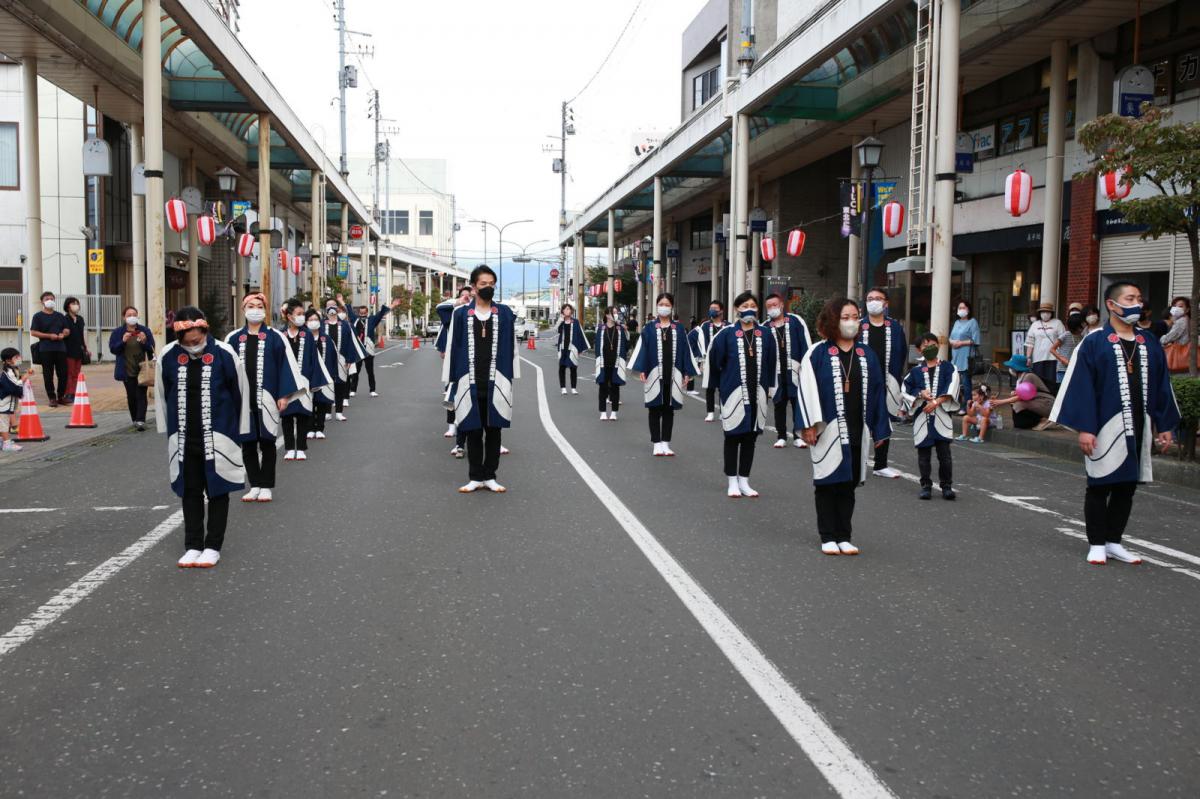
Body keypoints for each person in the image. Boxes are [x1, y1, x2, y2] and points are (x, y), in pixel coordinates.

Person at [1050, 281, 1180, 565]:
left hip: (1139, 424)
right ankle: (1097, 542)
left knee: (1126, 487)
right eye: (1130, 298)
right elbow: (1081, 386)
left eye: (1138, 298)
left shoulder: (1149, 343)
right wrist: (1085, 427)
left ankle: (1114, 541)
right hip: (1103, 425)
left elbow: (1162, 387)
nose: (1137, 303)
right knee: (1099, 483)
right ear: (1112, 304)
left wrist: (1165, 425)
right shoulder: (1094, 342)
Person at [154, 306, 250, 569]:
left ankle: (213, 546)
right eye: (188, 337)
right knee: (190, 490)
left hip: (220, 434)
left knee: (219, 489)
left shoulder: (224, 353)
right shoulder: (168, 356)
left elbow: (240, 392)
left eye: (197, 335)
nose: (194, 341)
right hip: (184, 436)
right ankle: (193, 544)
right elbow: (162, 395)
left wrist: (240, 432)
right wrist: (168, 432)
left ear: (205, 329)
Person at [798, 298, 891, 556]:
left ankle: (844, 535)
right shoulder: (817, 352)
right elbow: (806, 389)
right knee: (827, 481)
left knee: (848, 483)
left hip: (856, 426)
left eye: (854, 316)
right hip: (826, 427)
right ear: (833, 320)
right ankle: (827, 535)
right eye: (845, 317)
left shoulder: (866, 354)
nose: (851, 322)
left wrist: (879, 429)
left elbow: (877, 392)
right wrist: (808, 425)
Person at [442, 265, 520, 493]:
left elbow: (512, 346)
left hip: (497, 380)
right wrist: (451, 379)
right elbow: (453, 346)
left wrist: (512, 376)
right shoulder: (460, 314)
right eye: (483, 284)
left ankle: (490, 476)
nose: (488, 287)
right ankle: (475, 476)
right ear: (474, 287)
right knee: (473, 429)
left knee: (494, 429)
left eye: (491, 283)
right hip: (469, 380)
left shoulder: (504, 313)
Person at [224, 293, 303, 503]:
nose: (255, 309)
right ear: (243, 309)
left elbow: (286, 366)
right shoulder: (232, 339)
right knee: (247, 444)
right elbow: (225, 371)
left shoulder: (276, 337)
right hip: (242, 401)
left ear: (265, 310)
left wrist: (284, 395)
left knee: (267, 441)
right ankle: (255, 484)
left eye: (259, 306)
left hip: (268, 397)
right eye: (251, 305)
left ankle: (267, 485)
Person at [708, 291, 777, 497]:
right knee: (732, 436)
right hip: (733, 393)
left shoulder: (765, 334)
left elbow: (771, 363)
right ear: (737, 309)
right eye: (745, 305)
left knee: (750, 438)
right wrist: (722, 387)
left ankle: (744, 480)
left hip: (758, 393)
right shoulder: (727, 334)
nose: (750, 309)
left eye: (753, 305)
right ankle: (732, 481)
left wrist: (771, 388)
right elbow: (715, 362)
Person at [629, 292, 697, 456]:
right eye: (661, 304)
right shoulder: (649, 328)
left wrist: (687, 372)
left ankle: (666, 443)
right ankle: (656, 443)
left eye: (667, 305)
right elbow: (642, 350)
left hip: (673, 374)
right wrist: (642, 369)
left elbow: (685, 351)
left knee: (669, 409)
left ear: (672, 307)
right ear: (657, 306)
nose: (664, 307)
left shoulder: (679, 328)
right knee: (654, 408)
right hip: (654, 373)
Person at [902, 332, 960, 500]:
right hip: (922, 418)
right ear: (919, 350)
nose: (930, 349)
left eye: (933, 344)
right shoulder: (915, 371)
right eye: (926, 346)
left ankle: (946, 486)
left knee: (945, 455)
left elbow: (952, 387)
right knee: (924, 454)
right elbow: (904, 390)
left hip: (941, 415)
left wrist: (936, 402)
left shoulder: (949, 367)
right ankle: (926, 485)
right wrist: (920, 393)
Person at [859, 287, 907, 478]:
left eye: (878, 298)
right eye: (870, 298)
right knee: (860, 419)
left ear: (886, 303)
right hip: (862, 379)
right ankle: (857, 460)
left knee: (885, 418)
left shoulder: (894, 327)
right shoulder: (859, 325)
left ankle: (881, 464)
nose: (873, 302)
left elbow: (901, 352)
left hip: (888, 379)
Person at [281, 299, 329, 461]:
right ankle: (289, 447)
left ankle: (301, 447)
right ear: (289, 316)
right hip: (286, 381)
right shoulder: (281, 335)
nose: (302, 317)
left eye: (303, 314)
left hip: (304, 381)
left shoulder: (306, 335)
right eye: (299, 314)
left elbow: (314, 360)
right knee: (287, 416)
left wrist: (314, 383)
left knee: (303, 415)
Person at [764, 293, 811, 448]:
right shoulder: (765, 327)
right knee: (779, 404)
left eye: (774, 305)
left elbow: (806, 343)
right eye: (769, 306)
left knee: (798, 404)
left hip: (796, 370)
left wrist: (807, 367)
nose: (772, 308)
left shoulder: (796, 321)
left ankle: (799, 436)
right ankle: (781, 436)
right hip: (776, 373)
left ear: (782, 304)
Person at [107, 306, 156, 431]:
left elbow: (151, 348)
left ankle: (140, 420)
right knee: (131, 396)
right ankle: (135, 418)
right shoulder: (118, 332)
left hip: (142, 369)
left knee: (141, 394)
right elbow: (113, 349)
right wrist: (123, 341)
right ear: (124, 317)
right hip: (126, 369)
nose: (132, 317)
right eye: (129, 315)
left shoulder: (144, 330)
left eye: (134, 314)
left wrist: (145, 341)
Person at [438, 286, 473, 456]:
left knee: (487, 407)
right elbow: (440, 308)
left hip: (482, 367)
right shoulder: (455, 314)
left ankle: (496, 443)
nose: (467, 297)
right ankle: (458, 441)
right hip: (460, 366)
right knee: (459, 404)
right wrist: (459, 302)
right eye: (463, 295)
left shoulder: (483, 312)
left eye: (470, 294)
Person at [321, 299, 363, 420]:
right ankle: (327, 411)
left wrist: (350, 359)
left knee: (340, 385)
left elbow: (351, 342)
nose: (331, 308)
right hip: (325, 358)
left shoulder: (345, 325)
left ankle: (339, 411)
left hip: (342, 358)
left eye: (333, 305)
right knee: (327, 385)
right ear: (325, 308)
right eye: (329, 306)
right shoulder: (321, 324)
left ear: (337, 308)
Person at [688, 300, 728, 422]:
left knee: (724, 388)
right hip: (709, 361)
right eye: (711, 308)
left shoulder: (728, 325)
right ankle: (710, 412)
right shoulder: (705, 326)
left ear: (721, 311)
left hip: (725, 362)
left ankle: (723, 412)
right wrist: (699, 356)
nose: (712, 310)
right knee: (710, 388)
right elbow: (692, 337)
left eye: (715, 308)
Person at [991, 353, 1055, 429]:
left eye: (1011, 366)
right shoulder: (1021, 378)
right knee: (1017, 412)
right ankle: (1038, 421)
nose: (1010, 368)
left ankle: (1043, 420)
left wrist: (1000, 402)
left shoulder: (1028, 376)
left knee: (1018, 407)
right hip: (1037, 403)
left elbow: (1020, 397)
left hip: (1046, 404)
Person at [29, 291, 70, 407]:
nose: (50, 300)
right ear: (42, 301)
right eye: (47, 299)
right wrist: (49, 336)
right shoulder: (38, 316)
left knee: (63, 373)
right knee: (48, 374)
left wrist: (63, 334)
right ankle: (52, 398)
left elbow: (67, 329)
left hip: (61, 348)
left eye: (52, 298)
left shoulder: (60, 316)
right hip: (45, 349)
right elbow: (33, 332)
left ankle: (61, 396)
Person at [348, 297, 391, 397]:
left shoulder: (372, 320)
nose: (362, 315)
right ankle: (353, 389)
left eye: (364, 313)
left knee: (370, 371)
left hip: (368, 349)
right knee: (355, 372)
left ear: (367, 313)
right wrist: (341, 301)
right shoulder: (355, 320)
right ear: (358, 313)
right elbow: (349, 311)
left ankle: (372, 390)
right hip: (358, 350)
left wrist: (392, 305)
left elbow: (381, 314)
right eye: (361, 313)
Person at [306, 308, 337, 441]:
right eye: (310, 320)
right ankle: (310, 427)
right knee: (309, 402)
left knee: (322, 402)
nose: (313, 322)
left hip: (324, 375)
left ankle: (320, 428)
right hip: (308, 376)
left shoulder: (326, 338)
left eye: (315, 320)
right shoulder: (303, 338)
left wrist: (332, 375)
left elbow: (332, 357)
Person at [595, 306, 628, 421]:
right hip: (603, 362)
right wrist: (598, 360)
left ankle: (614, 412)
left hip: (616, 363)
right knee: (602, 387)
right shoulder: (601, 328)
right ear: (607, 315)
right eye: (613, 313)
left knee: (615, 387)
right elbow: (597, 346)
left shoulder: (619, 329)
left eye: (616, 312)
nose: (615, 314)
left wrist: (625, 329)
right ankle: (603, 412)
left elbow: (625, 344)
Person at [948, 298, 980, 412]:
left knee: (966, 382)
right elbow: (951, 338)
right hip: (956, 355)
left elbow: (975, 340)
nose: (961, 310)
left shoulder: (972, 322)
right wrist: (952, 342)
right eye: (959, 308)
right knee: (956, 382)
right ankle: (956, 404)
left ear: (968, 309)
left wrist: (961, 343)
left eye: (963, 308)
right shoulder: (956, 323)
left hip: (966, 356)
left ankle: (967, 406)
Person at [1025, 302, 1065, 391]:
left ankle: (1052, 401)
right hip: (1038, 359)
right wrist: (1028, 357)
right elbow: (1030, 343)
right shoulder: (1035, 325)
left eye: (1047, 312)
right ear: (1040, 313)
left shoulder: (1058, 323)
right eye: (1043, 311)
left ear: (1051, 313)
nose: (1045, 314)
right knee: (1038, 383)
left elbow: (1063, 340)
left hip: (1053, 358)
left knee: (1052, 383)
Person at [554, 303, 589, 395]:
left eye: (568, 309)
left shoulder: (575, 322)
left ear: (571, 311)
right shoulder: (561, 321)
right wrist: (560, 320)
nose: (567, 311)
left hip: (573, 348)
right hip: (563, 348)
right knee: (562, 367)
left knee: (573, 368)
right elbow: (556, 330)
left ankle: (573, 388)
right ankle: (563, 388)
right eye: (565, 309)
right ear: (562, 311)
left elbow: (580, 335)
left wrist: (580, 349)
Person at [1, 347, 30, 452]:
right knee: (3, 423)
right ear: (8, 360)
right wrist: (25, 377)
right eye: (16, 357)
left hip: (7, 403)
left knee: (4, 422)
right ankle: (6, 444)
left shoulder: (13, 370)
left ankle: (2, 441)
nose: (19, 358)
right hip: (3, 403)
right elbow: (14, 385)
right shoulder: (8, 372)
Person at [1051, 309, 1086, 386]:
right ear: (1074, 327)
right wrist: (1062, 358)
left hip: (1075, 368)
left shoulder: (1082, 336)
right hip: (1062, 369)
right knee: (1061, 389)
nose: (1081, 329)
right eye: (1080, 327)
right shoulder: (1065, 335)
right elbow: (1052, 349)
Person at [61, 297, 87, 403]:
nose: (76, 305)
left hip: (78, 350)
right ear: (68, 306)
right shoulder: (64, 319)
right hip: (68, 350)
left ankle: (75, 392)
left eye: (77, 303)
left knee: (77, 373)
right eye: (73, 303)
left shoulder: (80, 319)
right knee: (69, 373)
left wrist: (85, 347)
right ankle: (68, 393)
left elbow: (81, 335)